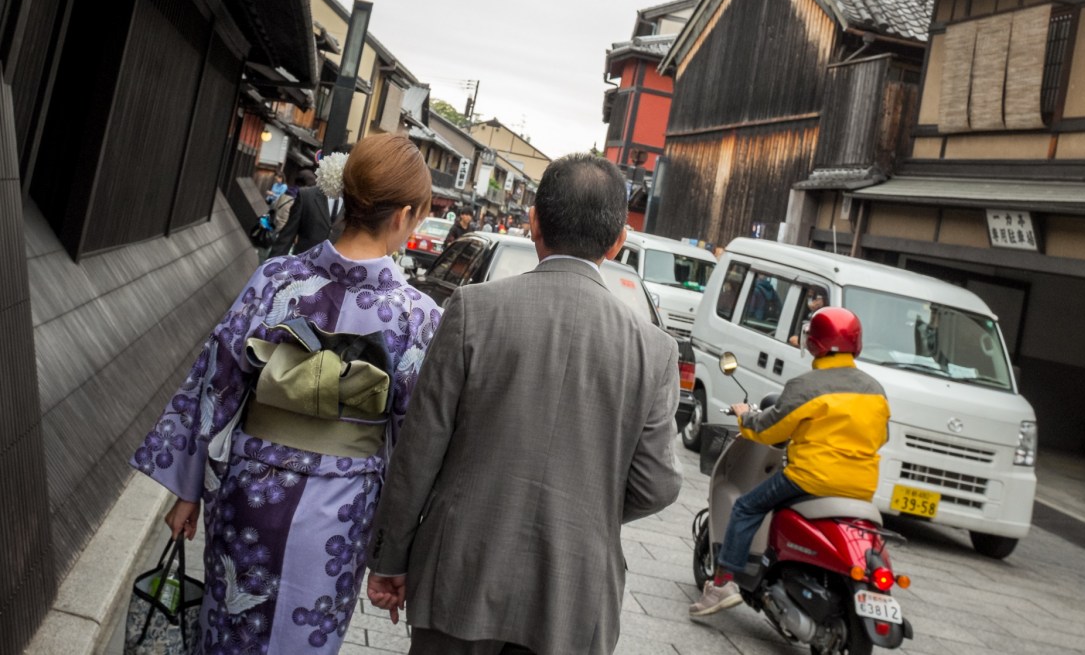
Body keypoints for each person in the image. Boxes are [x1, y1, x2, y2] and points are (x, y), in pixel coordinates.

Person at [130, 134, 441, 653]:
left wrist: (187, 489)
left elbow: (217, 381)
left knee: (229, 631)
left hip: (250, 491)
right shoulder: (418, 317)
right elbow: (415, 442)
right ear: (405, 215)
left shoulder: (276, 278)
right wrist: (396, 552)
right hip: (340, 509)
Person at [365, 153, 683, 655]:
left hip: (460, 569)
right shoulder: (654, 350)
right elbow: (657, 484)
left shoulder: (474, 311)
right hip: (575, 592)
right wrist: (585, 508)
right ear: (618, 241)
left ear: (533, 222)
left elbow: (419, 450)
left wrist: (390, 559)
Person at [689, 307, 890, 617]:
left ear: (814, 342)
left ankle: (723, 584)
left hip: (810, 479)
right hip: (861, 487)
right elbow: (882, 436)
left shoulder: (806, 386)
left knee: (746, 507)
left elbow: (768, 430)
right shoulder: (874, 390)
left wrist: (745, 416)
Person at [269, 147, 351, 257]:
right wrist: (273, 265)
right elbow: (287, 237)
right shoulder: (306, 196)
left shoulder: (355, 202)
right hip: (303, 262)